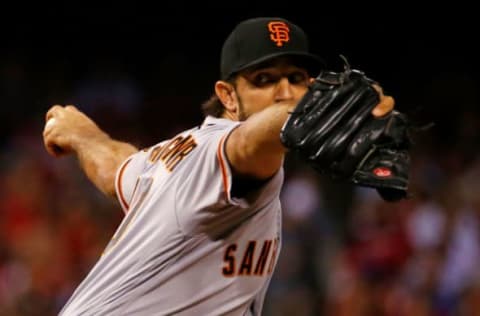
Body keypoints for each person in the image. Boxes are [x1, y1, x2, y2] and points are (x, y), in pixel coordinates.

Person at [43, 17, 394, 315]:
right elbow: (249, 139)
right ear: (227, 95)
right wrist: (309, 109)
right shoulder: (224, 152)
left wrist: (84, 137)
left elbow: (117, 171)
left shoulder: (174, 155)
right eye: (265, 79)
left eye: (296, 78)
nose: (284, 91)